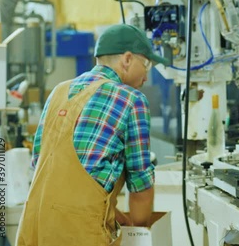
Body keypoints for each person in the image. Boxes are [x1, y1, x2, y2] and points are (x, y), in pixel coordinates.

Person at [16, 24, 169, 246]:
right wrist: (139, 231)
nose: (146, 76)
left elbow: (43, 166)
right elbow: (140, 187)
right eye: (146, 65)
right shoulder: (132, 100)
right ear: (127, 59)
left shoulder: (59, 91)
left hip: (34, 229)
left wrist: (113, 214)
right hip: (80, 236)